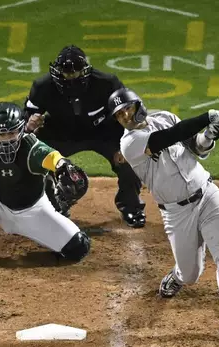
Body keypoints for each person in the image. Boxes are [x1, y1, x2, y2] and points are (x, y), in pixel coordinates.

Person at [107, 87, 219, 338]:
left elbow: (195, 147)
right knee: (190, 274)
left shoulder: (164, 117)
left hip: (208, 196)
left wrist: (210, 135)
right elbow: (171, 136)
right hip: (177, 214)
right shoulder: (129, 143)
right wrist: (208, 116)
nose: (126, 117)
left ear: (138, 105)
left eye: (127, 110)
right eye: (119, 115)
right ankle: (177, 275)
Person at [0, 101, 91, 266]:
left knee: (78, 248)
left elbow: (53, 157)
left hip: (33, 212)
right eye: (1, 135)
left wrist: (62, 165)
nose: (6, 140)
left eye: (12, 133)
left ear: (21, 130)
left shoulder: (32, 149)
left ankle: (53, 214)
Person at [23, 45, 146, 228]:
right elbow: (26, 116)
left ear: (85, 71)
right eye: (66, 73)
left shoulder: (107, 82)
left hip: (105, 133)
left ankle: (131, 207)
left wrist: (126, 142)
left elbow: (129, 112)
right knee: (34, 157)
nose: (70, 77)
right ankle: (50, 206)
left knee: (129, 160)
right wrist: (29, 123)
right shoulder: (43, 86)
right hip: (61, 134)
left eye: (75, 73)